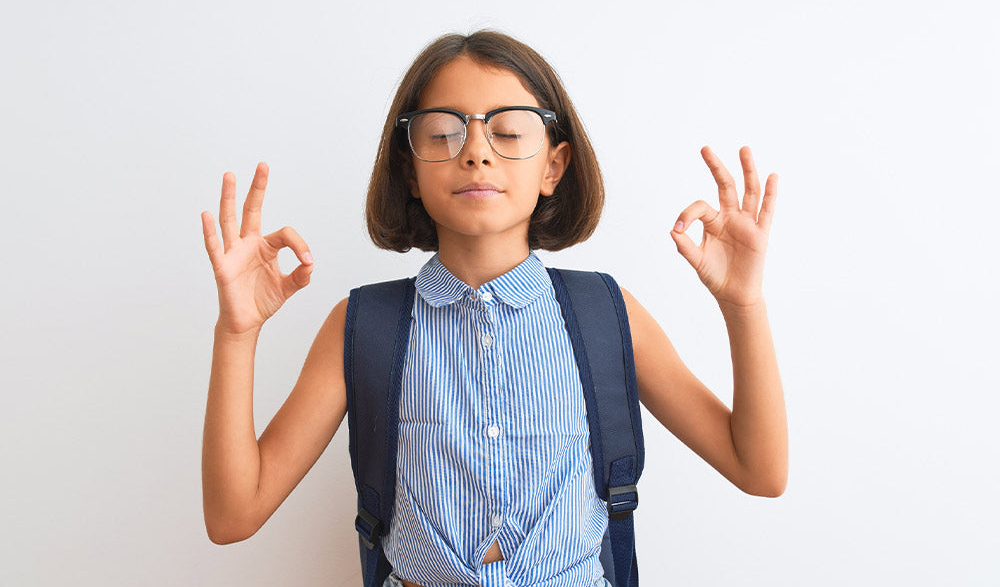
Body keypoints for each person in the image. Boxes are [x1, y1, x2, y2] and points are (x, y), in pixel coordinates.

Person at [200, 30, 787, 587]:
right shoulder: (363, 328)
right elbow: (233, 516)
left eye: (507, 133)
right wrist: (237, 332)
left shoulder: (605, 314)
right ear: (409, 168)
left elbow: (759, 470)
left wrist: (743, 304)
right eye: (442, 133)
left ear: (553, 167)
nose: (477, 152)